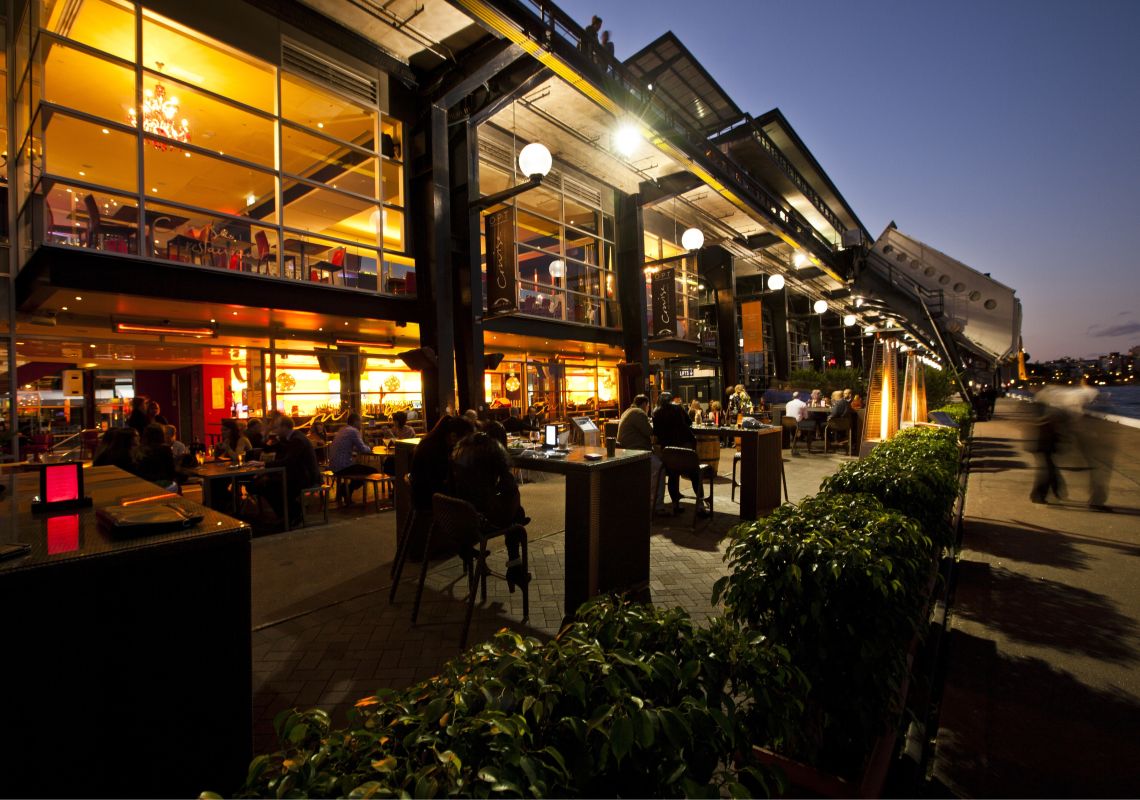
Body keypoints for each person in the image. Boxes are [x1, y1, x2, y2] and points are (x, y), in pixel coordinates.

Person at [449, 431, 530, 589]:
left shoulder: (457, 457)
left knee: (516, 516)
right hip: (480, 522)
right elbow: (508, 502)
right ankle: (515, 567)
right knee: (516, 520)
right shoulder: (491, 461)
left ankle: (466, 549)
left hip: (459, 518)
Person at [652, 391, 709, 517]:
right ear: (671, 400)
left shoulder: (655, 413)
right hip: (686, 450)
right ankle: (700, 505)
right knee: (695, 473)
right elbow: (689, 422)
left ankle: (676, 505)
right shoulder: (677, 408)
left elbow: (655, 433)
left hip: (669, 454)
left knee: (673, 474)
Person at [265, 416, 321, 525]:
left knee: (270, 485)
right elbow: (271, 450)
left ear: (284, 427)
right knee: (269, 483)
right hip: (300, 475)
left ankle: (291, 514)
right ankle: (288, 514)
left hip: (307, 478)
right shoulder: (292, 438)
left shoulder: (297, 440)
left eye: (276, 427)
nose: (274, 430)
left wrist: (264, 464)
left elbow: (288, 461)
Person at [617, 394, 666, 514]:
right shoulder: (639, 413)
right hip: (636, 453)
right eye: (648, 406)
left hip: (627, 451)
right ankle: (656, 506)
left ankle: (648, 500)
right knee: (659, 467)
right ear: (644, 404)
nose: (648, 408)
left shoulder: (627, 411)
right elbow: (650, 431)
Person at [328, 412, 376, 503]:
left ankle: (346, 491)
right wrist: (370, 448)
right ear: (355, 422)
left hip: (333, 465)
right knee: (373, 471)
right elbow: (363, 449)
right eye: (360, 422)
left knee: (360, 468)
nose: (361, 424)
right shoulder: (353, 431)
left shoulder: (343, 430)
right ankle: (346, 489)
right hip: (343, 467)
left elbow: (351, 446)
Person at [1029, 402, 1065, 504]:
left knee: (1049, 472)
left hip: (1045, 448)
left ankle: (1046, 493)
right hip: (1045, 448)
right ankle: (1041, 495)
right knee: (1048, 472)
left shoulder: (1045, 420)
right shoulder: (1047, 421)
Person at [133, 423, 178, 489]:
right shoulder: (164, 449)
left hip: (144, 485)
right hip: (162, 484)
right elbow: (170, 471)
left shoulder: (139, 450)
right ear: (161, 435)